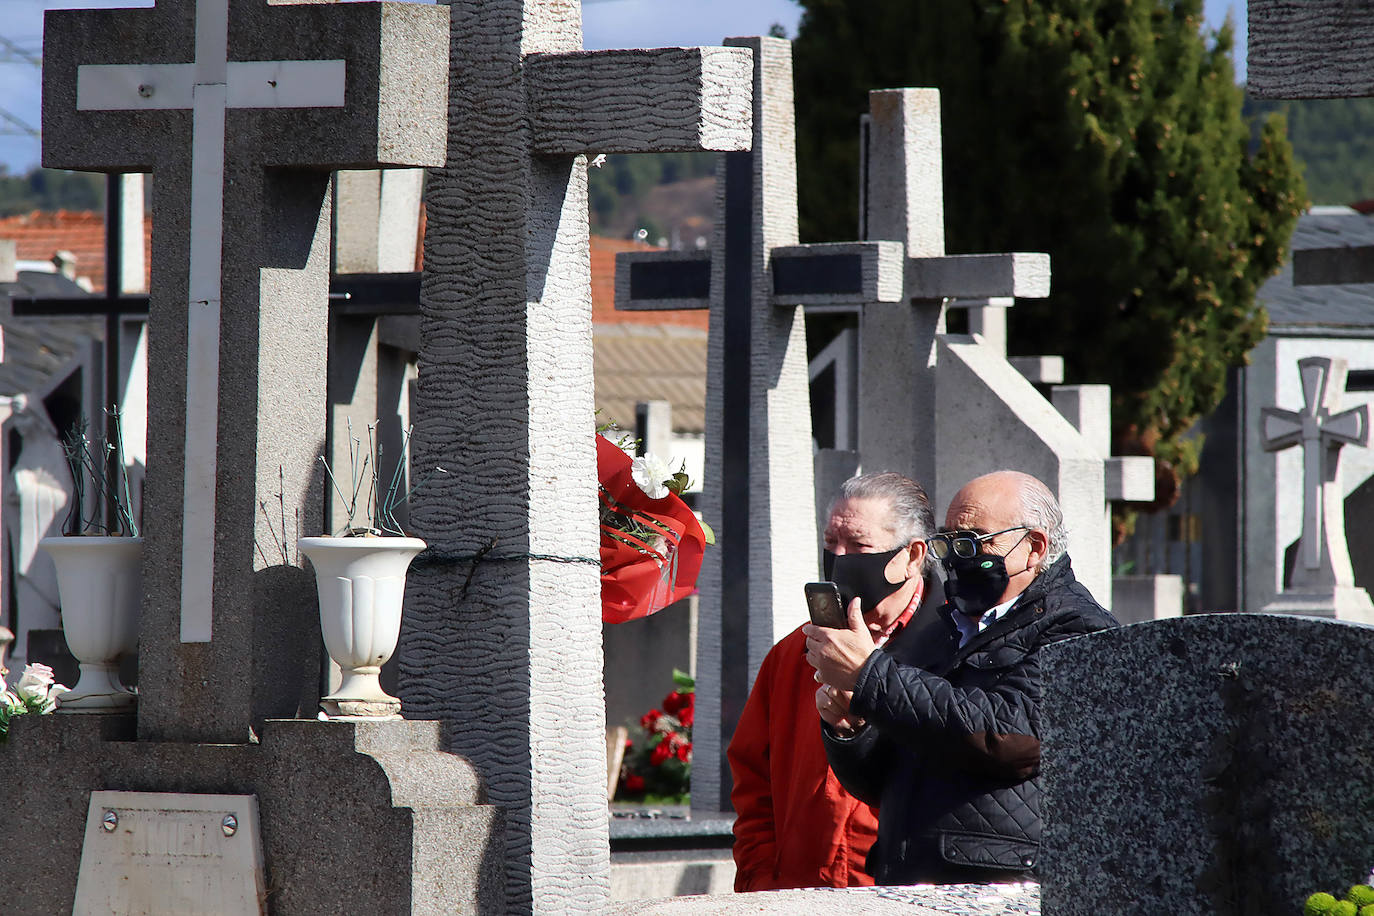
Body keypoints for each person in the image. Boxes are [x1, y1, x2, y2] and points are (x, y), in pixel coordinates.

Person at [805, 469, 1117, 885]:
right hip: (909, 878)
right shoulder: (944, 628)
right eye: (948, 541)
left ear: (1034, 548)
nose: (957, 556)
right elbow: (883, 781)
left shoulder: (1077, 628)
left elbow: (1013, 736)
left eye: (973, 541)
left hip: (1001, 886)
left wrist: (869, 676)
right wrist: (851, 727)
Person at [728, 472, 935, 891]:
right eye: (830, 545)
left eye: (859, 546)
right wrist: (763, 880)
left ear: (913, 556)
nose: (841, 559)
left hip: (898, 894)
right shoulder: (795, 653)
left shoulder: (949, 648)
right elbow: (753, 783)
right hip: (796, 892)